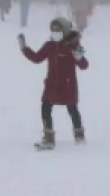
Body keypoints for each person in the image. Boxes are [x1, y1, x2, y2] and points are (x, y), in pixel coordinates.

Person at [18, 17, 89, 149]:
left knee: (72, 109)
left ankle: (79, 135)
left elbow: (84, 65)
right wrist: (24, 49)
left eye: (58, 29)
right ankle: (49, 137)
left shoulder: (73, 46)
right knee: (45, 108)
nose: (55, 32)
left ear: (65, 30)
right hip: (52, 84)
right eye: (53, 30)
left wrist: (80, 58)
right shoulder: (49, 46)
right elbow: (37, 58)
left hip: (67, 85)